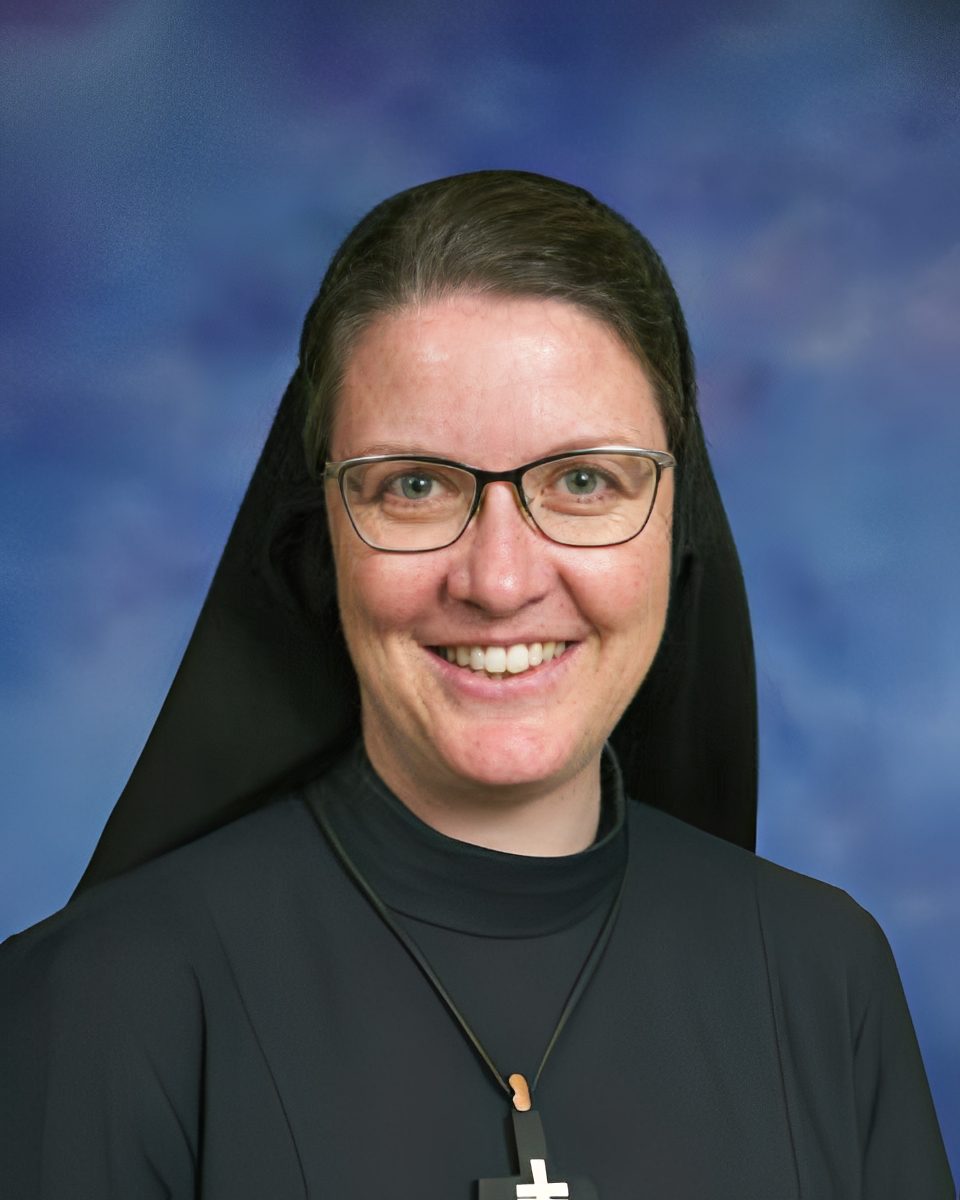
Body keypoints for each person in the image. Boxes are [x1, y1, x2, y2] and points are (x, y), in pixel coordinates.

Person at [1, 171, 953, 1198]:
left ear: (682, 516)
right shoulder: (96, 1004)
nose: (499, 581)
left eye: (583, 480)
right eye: (414, 485)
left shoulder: (822, 978)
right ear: (321, 534)